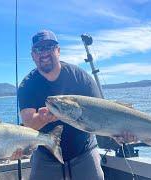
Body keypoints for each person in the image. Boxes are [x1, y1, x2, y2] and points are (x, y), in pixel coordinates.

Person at [18, 30, 105, 180]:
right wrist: (42, 118)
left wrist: (120, 132)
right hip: (45, 153)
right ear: (33, 56)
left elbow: (103, 115)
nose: (44, 53)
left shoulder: (81, 78)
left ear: (58, 51)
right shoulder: (27, 85)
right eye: (38, 49)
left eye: (49, 47)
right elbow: (29, 123)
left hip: (83, 150)